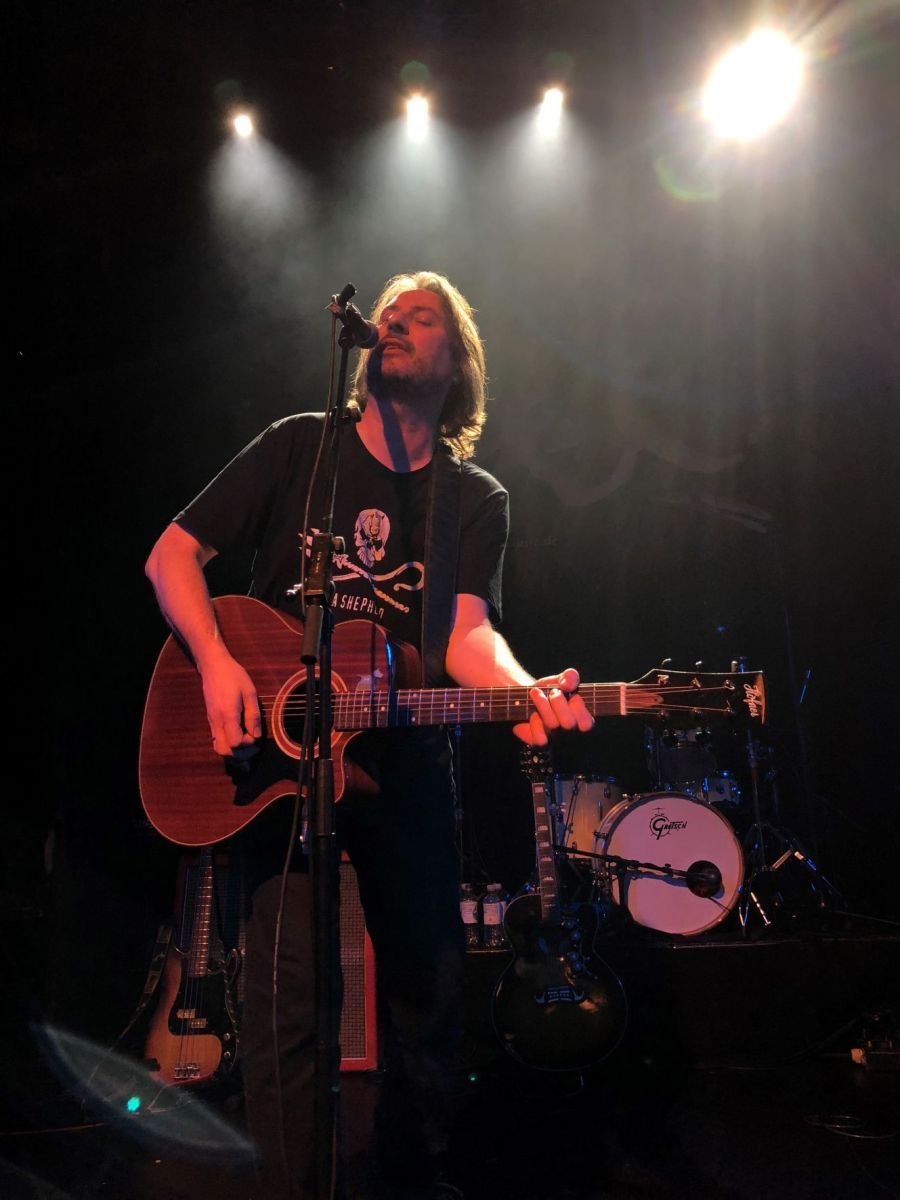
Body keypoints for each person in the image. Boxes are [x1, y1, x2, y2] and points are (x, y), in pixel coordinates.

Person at [144, 270, 594, 1200]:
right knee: (290, 1009)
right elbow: (172, 555)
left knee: (429, 996)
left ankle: (414, 1182)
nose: (394, 324)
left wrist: (522, 691)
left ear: (457, 364)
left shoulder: (472, 498)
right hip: (285, 767)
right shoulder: (299, 448)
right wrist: (219, 662)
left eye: (420, 318)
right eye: (388, 314)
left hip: (407, 763)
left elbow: (466, 635)